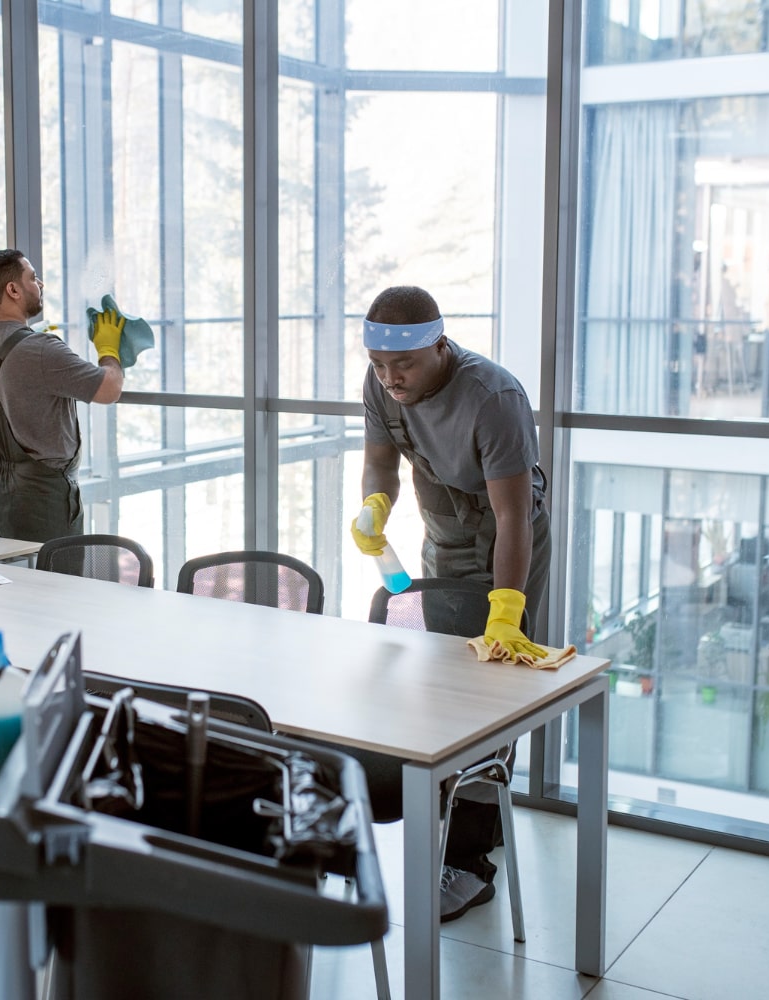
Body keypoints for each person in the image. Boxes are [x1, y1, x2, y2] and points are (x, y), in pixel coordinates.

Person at [351, 285, 550, 922]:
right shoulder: (381, 383)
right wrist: (375, 505)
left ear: (439, 345)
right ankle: (446, 828)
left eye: (402, 365)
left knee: (490, 694)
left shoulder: (494, 397)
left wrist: (506, 609)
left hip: (507, 536)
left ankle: (471, 863)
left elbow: (513, 514)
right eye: (380, 366)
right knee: (444, 688)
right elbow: (381, 463)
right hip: (444, 530)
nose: (390, 379)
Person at [0, 249, 125, 542]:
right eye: (33, 277)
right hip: (42, 497)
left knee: (6, 583)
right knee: (57, 584)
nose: (40, 284)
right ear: (13, 290)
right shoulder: (40, 349)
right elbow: (109, 389)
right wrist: (109, 350)